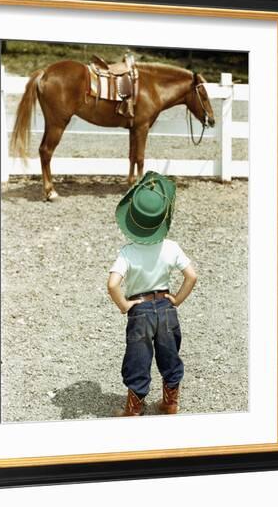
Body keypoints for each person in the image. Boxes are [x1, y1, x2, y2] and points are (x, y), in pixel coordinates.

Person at [107, 171, 197, 416]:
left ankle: (134, 409)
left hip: (140, 311)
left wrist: (124, 305)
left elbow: (113, 284)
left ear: (132, 220)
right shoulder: (172, 247)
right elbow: (192, 276)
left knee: (138, 357)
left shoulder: (128, 252)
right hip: (166, 309)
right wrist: (177, 299)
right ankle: (170, 403)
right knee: (170, 355)